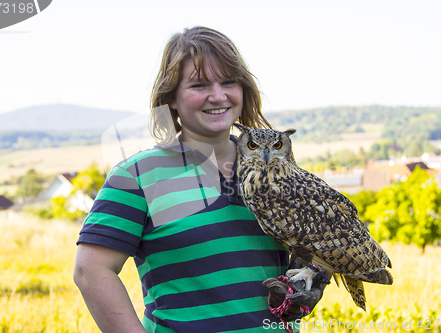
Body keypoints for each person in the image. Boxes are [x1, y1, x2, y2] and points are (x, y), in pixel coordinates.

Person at [74, 26, 329, 333]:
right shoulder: (138, 176)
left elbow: (310, 249)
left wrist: (310, 275)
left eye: (228, 82)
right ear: (171, 98)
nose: (217, 96)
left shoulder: (276, 171)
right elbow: (91, 271)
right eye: (198, 85)